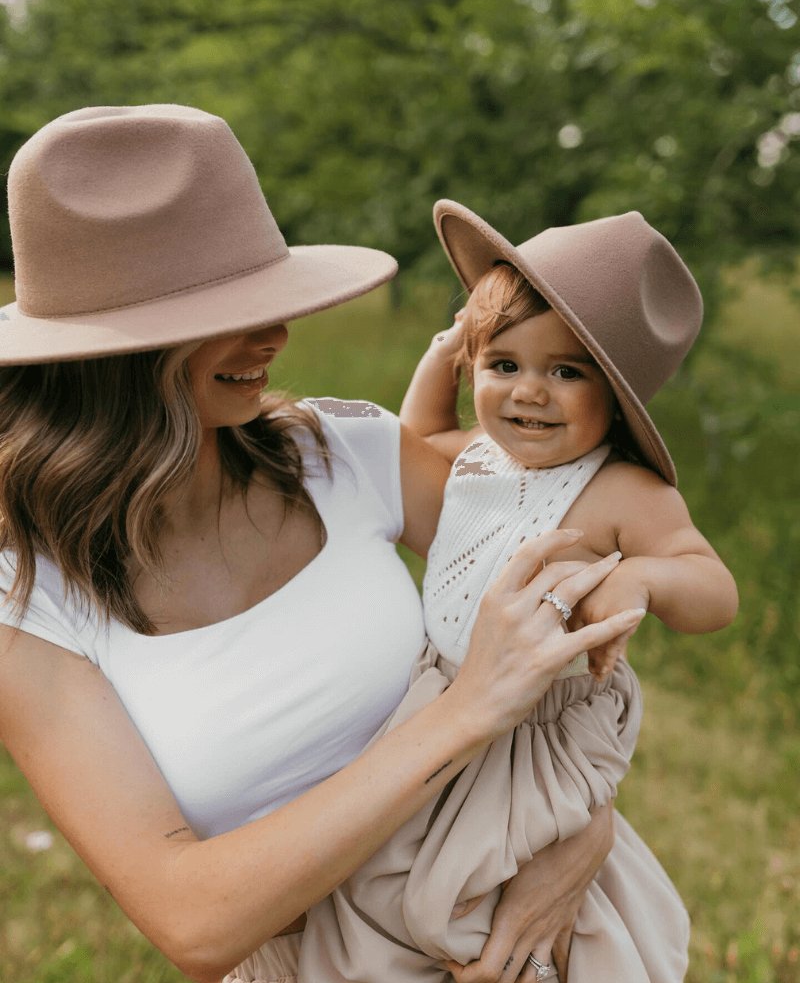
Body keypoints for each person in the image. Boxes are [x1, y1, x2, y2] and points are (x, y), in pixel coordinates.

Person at [0, 106, 648, 983]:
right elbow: (192, 922)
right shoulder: (27, 598)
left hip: (510, 926)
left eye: (272, 299)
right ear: (114, 352)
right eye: (229, 312)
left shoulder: (346, 454)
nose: (276, 337)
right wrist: (465, 715)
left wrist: (583, 818)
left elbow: (576, 557)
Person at [297, 203, 738, 983]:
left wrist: (643, 576)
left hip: (534, 732)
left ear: (620, 392)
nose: (528, 392)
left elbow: (713, 589)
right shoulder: (476, 456)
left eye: (566, 371)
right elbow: (417, 437)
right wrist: (443, 354)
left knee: (480, 895)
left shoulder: (620, 491)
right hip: (441, 701)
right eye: (502, 365)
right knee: (382, 878)